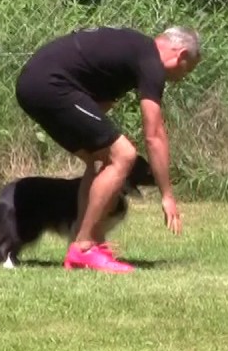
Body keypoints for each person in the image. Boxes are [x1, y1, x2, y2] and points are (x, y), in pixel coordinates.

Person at [14, 25, 202, 272]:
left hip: (34, 83)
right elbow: (154, 135)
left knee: (100, 159)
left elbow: (97, 111)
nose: (182, 77)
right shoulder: (150, 59)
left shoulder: (129, 54)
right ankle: (85, 247)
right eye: (187, 70)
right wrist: (166, 195)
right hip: (51, 84)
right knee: (124, 155)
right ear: (181, 55)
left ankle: (85, 244)